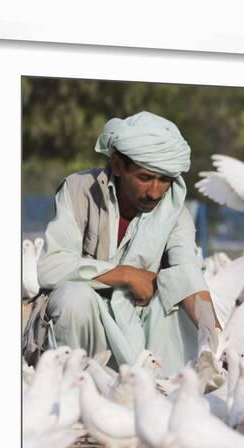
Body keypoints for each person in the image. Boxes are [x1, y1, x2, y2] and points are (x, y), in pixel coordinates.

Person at [26, 111, 218, 376]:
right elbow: (51, 268)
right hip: (85, 326)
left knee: (178, 300)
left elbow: (187, 275)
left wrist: (215, 340)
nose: (155, 192)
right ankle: (70, 386)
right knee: (74, 297)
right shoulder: (79, 190)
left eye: (165, 180)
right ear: (117, 165)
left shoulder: (173, 209)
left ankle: (160, 386)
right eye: (144, 177)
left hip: (138, 328)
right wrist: (126, 275)